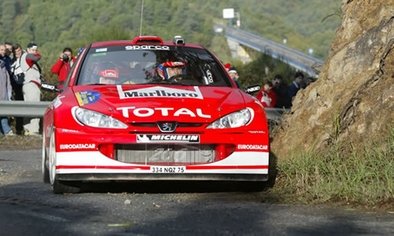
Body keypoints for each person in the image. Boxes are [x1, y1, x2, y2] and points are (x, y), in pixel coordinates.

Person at [19, 42, 42, 136]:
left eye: (35, 50)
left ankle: (28, 129)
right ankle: (34, 130)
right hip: (31, 85)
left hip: (28, 85)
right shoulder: (28, 56)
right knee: (35, 107)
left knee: (28, 108)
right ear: (28, 49)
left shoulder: (26, 57)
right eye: (33, 50)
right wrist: (38, 53)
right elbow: (37, 57)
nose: (34, 52)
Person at [10, 43, 25, 134]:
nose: (18, 53)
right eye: (15, 52)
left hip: (24, 83)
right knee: (18, 107)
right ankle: (19, 129)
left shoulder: (26, 58)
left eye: (19, 51)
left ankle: (24, 128)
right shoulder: (12, 61)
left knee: (26, 107)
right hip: (16, 86)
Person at [0, 46, 14, 136]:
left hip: (3, 94)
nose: (3, 52)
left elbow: (7, 81)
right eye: (1, 50)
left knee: (3, 114)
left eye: (4, 50)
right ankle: (6, 131)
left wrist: (9, 94)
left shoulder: (3, 64)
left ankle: (6, 131)